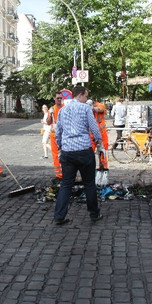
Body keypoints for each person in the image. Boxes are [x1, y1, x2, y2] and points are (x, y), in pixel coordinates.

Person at [54, 85, 104, 225]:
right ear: (80, 95)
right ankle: (94, 214)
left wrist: (60, 146)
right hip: (83, 151)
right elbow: (93, 126)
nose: (87, 98)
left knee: (66, 184)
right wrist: (99, 140)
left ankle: (59, 216)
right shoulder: (85, 108)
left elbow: (58, 131)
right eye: (86, 95)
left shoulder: (63, 111)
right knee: (89, 183)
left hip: (68, 152)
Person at [46, 91, 64, 179]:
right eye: (58, 98)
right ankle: (58, 174)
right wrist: (50, 114)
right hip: (54, 134)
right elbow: (48, 122)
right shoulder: (52, 109)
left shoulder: (65, 108)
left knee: (64, 154)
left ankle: (65, 172)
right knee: (55, 155)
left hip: (64, 134)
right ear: (54, 98)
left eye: (61, 98)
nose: (60, 100)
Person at [89, 99, 109, 170]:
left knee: (102, 152)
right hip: (91, 134)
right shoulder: (87, 107)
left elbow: (100, 109)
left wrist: (91, 108)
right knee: (90, 153)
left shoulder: (100, 105)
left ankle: (103, 168)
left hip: (101, 133)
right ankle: (90, 169)